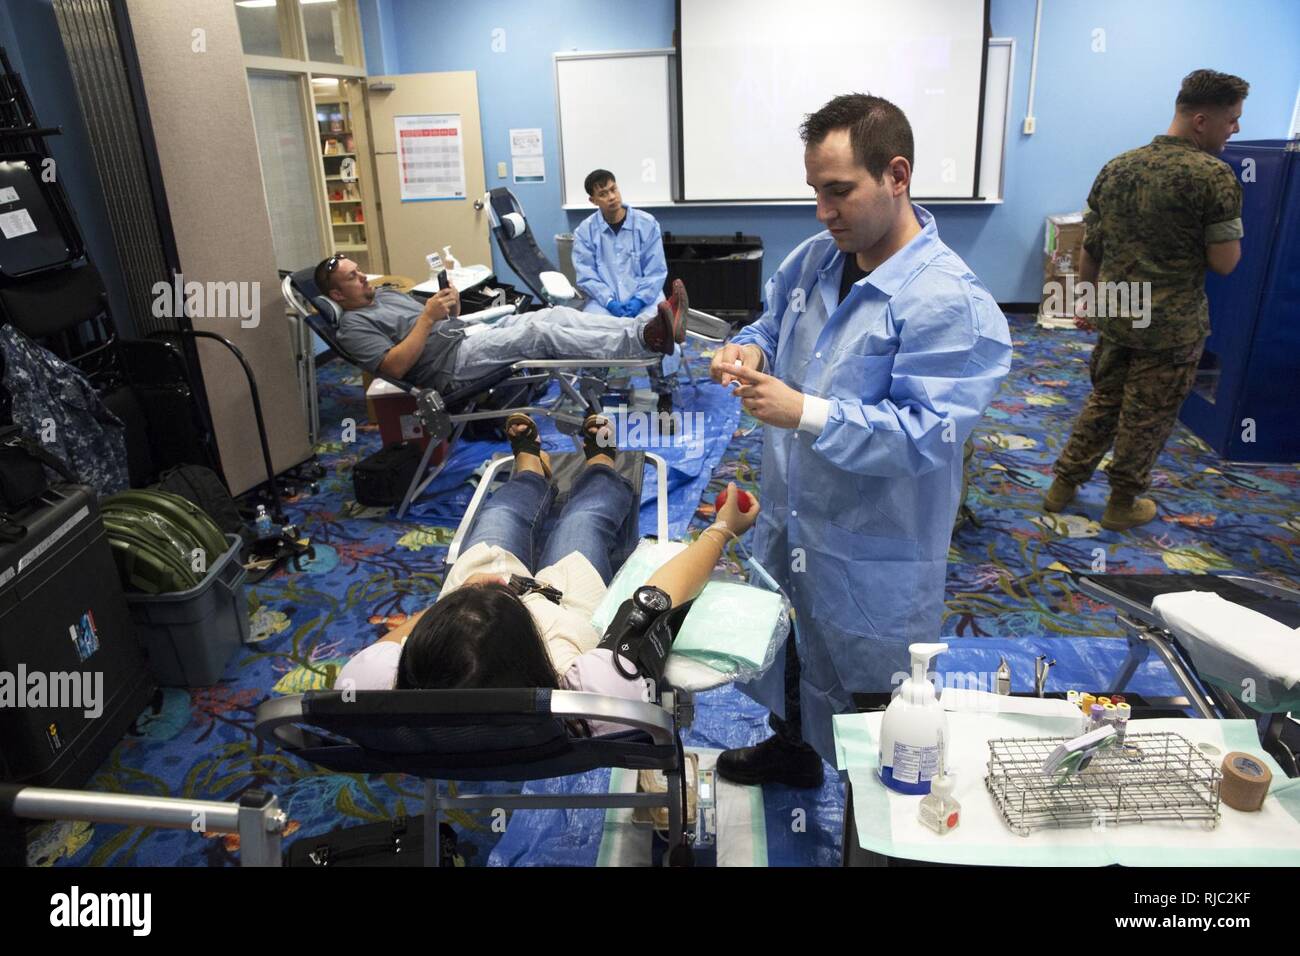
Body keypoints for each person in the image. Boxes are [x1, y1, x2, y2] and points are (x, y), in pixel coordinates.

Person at [707, 94, 1012, 785]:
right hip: (795, 514)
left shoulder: (950, 305)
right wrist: (749, 352)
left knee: (874, 689)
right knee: (788, 640)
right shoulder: (820, 258)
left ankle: (878, 826)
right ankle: (792, 750)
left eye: (838, 191)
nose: (823, 210)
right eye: (815, 191)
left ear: (896, 176)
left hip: (873, 542)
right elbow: (767, 326)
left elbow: (923, 437)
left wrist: (806, 412)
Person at [337, 413, 761, 734]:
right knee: (586, 520)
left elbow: (405, 638)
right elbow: (658, 597)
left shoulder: (368, 688)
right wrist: (722, 529)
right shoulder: (596, 696)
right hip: (562, 607)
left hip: (481, 616)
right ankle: (600, 466)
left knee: (503, 512)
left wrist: (457, 602)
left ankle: (530, 471)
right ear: (530, 643)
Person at [1043, 69, 1247, 531]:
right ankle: (1122, 503)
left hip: (1119, 307)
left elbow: (1090, 249)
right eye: (1231, 120)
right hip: (1171, 323)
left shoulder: (1118, 166)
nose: (1235, 130)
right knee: (1147, 415)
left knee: (1104, 401)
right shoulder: (1214, 176)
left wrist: (1089, 301)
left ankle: (1062, 485)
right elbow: (1225, 263)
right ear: (1200, 120)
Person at [317, 256, 687, 392]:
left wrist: (449, 308)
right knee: (538, 333)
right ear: (336, 295)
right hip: (449, 367)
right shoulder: (352, 326)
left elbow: (441, 322)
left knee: (551, 314)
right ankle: (645, 343)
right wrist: (428, 318)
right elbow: (395, 366)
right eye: (352, 277)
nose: (363, 277)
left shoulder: (386, 295)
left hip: (465, 337)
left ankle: (643, 330)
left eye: (359, 270)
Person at [572, 170, 668, 320]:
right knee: (592, 329)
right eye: (603, 194)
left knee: (655, 330)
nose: (611, 197)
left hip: (646, 301)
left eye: (613, 189)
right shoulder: (585, 232)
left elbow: (656, 271)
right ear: (593, 200)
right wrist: (610, 302)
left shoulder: (647, 224)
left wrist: (639, 300)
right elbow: (587, 276)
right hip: (604, 304)